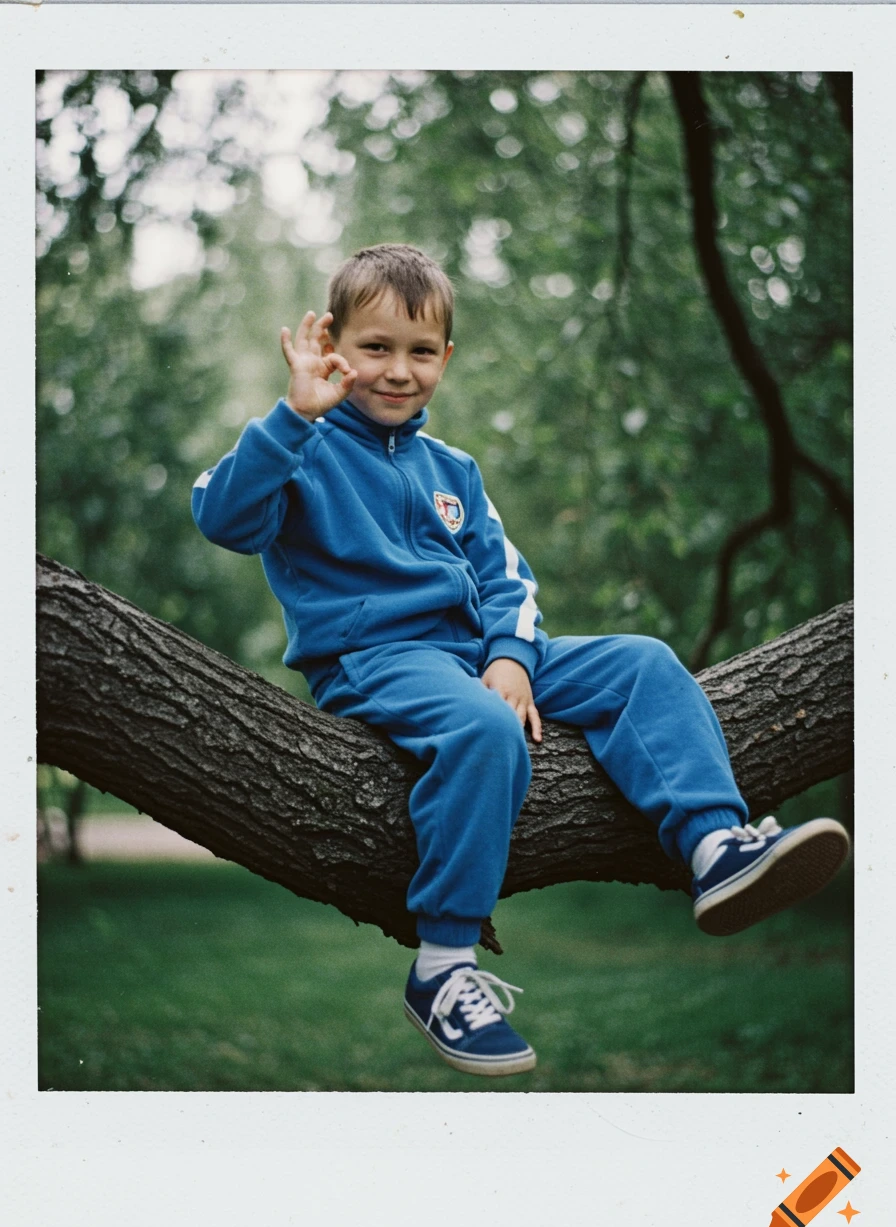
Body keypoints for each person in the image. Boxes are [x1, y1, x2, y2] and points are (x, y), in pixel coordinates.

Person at [192, 243, 850, 1078]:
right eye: (376, 348)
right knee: (483, 731)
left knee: (642, 663)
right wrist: (293, 416)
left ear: (447, 358)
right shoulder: (300, 447)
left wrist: (512, 658)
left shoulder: (453, 469)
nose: (399, 371)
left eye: (421, 351)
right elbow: (222, 517)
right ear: (333, 349)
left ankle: (715, 847)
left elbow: (508, 578)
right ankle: (443, 967)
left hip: (479, 652)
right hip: (378, 659)